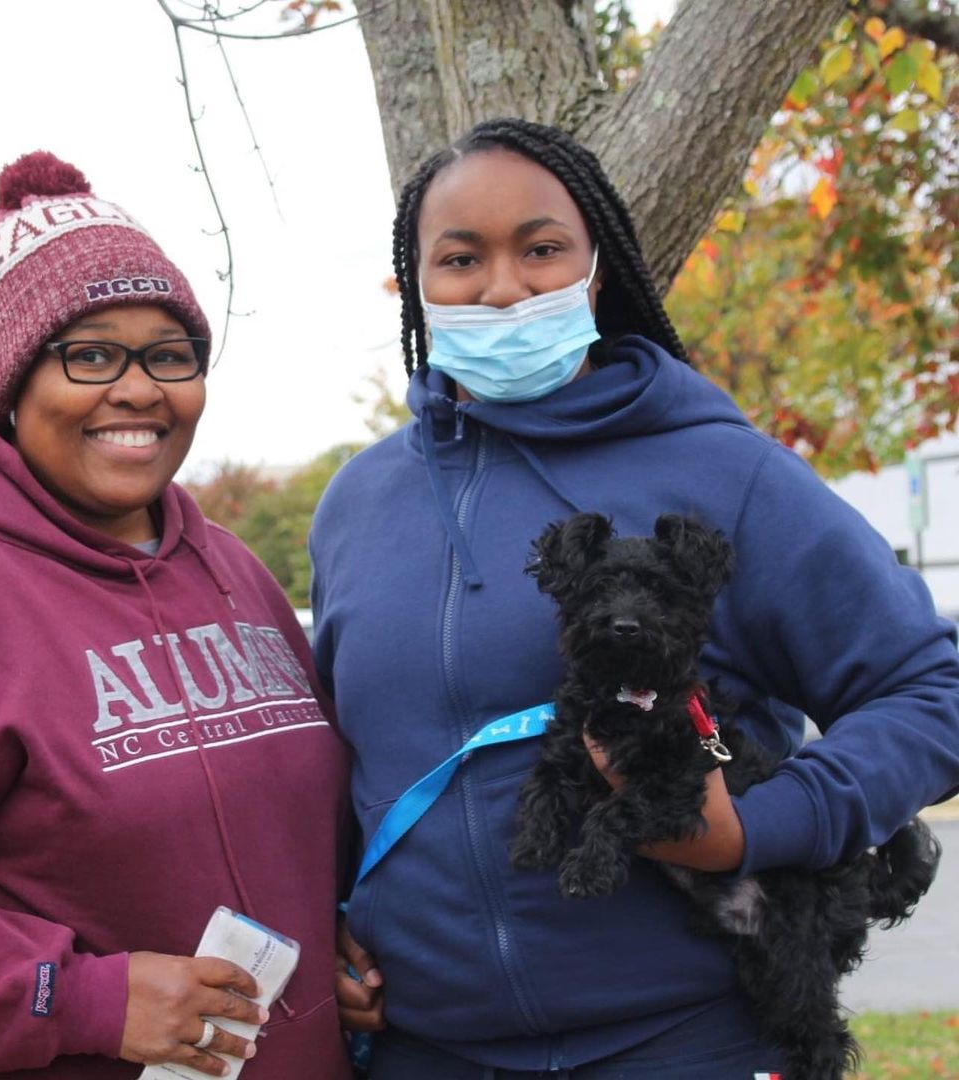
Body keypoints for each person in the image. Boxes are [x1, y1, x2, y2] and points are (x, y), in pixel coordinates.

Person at [313, 118, 959, 1078]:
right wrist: (322, 918)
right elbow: (338, 759)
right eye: (459, 258)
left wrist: (761, 828)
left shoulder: (725, 471)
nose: (501, 287)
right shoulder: (359, 504)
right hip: (422, 1050)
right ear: (416, 284)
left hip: (686, 1043)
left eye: (540, 249)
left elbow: (930, 691)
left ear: (596, 269)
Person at [0, 152, 351, 1080]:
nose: (139, 389)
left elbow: (290, 837)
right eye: (89, 354)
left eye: (170, 356)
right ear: (12, 383)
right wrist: (79, 996)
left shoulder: (233, 570)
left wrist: (340, 947)